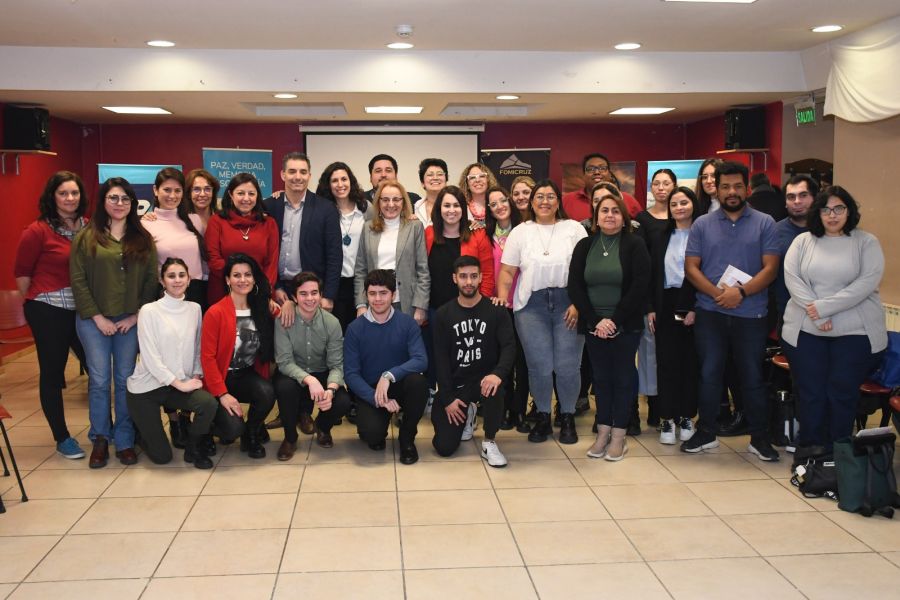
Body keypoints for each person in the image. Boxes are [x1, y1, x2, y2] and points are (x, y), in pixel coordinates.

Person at [682, 161, 781, 461]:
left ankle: (759, 437)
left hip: (751, 314)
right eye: (725, 186)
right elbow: (691, 268)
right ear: (717, 189)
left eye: (738, 186)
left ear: (747, 188)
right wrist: (718, 295)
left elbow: (771, 268)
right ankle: (707, 431)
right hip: (710, 313)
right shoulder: (702, 224)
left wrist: (739, 293)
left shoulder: (765, 223)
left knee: (751, 375)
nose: (732, 192)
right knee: (710, 372)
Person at [781, 186, 887, 452]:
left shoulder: (866, 242)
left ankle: (839, 455)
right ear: (817, 213)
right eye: (826, 209)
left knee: (841, 394)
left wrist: (825, 308)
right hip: (805, 331)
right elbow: (793, 280)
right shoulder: (802, 242)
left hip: (855, 333)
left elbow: (866, 284)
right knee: (811, 393)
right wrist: (817, 315)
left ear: (849, 211)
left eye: (839, 208)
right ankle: (810, 454)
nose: (832, 215)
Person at [70, 177, 158, 468]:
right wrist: (97, 317)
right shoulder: (86, 236)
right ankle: (100, 438)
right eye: (113, 198)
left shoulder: (142, 238)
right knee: (98, 381)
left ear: (132, 204)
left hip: (129, 322)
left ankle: (123, 439)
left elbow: (149, 282)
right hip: (93, 320)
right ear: (103, 201)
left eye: (125, 199)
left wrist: (136, 316)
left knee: (124, 380)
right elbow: (78, 279)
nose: (119, 204)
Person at [495, 179, 587, 444]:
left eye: (550, 196)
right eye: (539, 197)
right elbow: (508, 272)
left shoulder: (574, 230)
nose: (544, 201)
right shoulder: (520, 232)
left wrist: (579, 303)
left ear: (559, 201)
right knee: (540, 366)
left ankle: (567, 415)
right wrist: (503, 301)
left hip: (569, 304)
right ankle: (544, 416)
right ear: (531, 203)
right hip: (531, 307)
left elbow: (584, 272)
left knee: (568, 365)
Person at [568, 189, 650, 461]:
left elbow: (639, 286)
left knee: (623, 378)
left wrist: (613, 321)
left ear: (624, 216)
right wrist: (595, 320)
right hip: (593, 325)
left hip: (625, 324)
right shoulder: (585, 245)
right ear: (596, 216)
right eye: (604, 210)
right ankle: (602, 431)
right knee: (601, 380)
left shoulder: (634, 244)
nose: (610, 215)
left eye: (616, 211)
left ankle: (619, 435)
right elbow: (575, 286)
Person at [14, 171, 89, 459]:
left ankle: (102, 430)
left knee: (97, 369)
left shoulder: (87, 227)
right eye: (63, 193)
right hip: (48, 309)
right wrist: (38, 304)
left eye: (74, 193)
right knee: (53, 374)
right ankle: (62, 437)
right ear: (52, 197)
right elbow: (22, 274)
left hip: (82, 309)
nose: (70, 198)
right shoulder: (37, 230)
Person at [125, 258, 217, 469]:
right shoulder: (149, 311)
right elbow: (150, 359)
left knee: (207, 403)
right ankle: (141, 431)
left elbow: (197, 347)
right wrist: (180, 384)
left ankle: (193, 448)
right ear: (162, 281)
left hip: (175, 385)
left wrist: (196, 374)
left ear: (189, 279)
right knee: (162, 457)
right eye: (171, 276)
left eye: (181, 275)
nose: (177, 280)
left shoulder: (194, 309)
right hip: (146, 388)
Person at [431, 256, 516, 467]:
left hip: (484, 381)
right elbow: (439, 358)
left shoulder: (496, 310)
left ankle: (489, 441)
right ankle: (468, 411)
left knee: (495, 387)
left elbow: (509, 347)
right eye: (463, 277)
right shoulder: (443, 314)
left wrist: (497, 374)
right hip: (457, 385)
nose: (468, 282)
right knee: (444, 447)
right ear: (454, 279)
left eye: (473, 276)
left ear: (480, 278)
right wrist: (448, 398)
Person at [344, 269, 428, 465]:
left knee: (419, 382)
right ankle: (379, 423)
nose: (378, 299)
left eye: (383, 293)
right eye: (372, 294)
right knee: (372, 436)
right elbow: (351, 374)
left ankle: (407, 438)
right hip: (371, 390)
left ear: (394, 295)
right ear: (366, 295)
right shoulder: (355, 328)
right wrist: (379, 399)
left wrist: (389, 375)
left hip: (399, 383)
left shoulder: (407, 323)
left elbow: (421, 360)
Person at [201, 253, 276, 459]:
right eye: (236, 275)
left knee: (267, 392)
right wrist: (222, 394)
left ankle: (251, 434)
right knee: (232, 429)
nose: (243, 280)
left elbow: (284, 317)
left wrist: (285, 304)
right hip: (219, 378)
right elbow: (207, 358)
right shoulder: (215, 312)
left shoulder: (260, 308)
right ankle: (205, 430)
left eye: (247, 275)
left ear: (254, 278)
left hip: (244, 375)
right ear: (227, 280)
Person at [273, 272, 352, 459]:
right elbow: (284, 362)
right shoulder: (283, 320)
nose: (310, 298)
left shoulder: (332, 323)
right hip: (294, 373)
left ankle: (323, 428)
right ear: (294, 297)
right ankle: (290, 438)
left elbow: (336, 365)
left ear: (321, 295)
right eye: (303, 294)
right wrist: (309, 380)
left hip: (322, 371)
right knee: (284, 387)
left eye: (314, 293)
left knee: (343, 401)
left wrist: (331, 390)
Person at [264, 152, 342, 324]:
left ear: (309, 175)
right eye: (292, 172)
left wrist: (328, 295)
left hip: (312, 292)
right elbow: (264, 252)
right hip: (279, 290)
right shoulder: (270, 206)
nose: (297, 177)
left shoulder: (326, 208)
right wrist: (275, 287)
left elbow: (334, 255)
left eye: (303, 172)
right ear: (283, 175)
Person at [648, 187, 700, 444]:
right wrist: (650, 308)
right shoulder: (660, 236)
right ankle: (666, 418)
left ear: (693, 204)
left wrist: (693, 307)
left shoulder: (703, 234)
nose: (679, 207)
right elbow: (652, 274)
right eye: (674, 204)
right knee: (666, 361)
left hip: (694, 301)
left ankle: (687, 416)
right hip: (665, 303)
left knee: (690, 363)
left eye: (684, 202)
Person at [633, 168, 677, 431]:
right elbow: (642, 264)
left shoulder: (685, 217)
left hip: (677, 295)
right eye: (656, 184)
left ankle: (673, 404)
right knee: (649, 352)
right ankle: (653, 404)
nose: (661, 188)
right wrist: (647, 303)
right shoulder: (642, 220)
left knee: (673, 354)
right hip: (651, 295)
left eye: (666, 183)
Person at [354, 180, 430, 325]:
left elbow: (423, 271)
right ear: (378, 202)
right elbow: (360, 270)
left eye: (396, 199)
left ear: (403, 202)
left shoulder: (415, 227)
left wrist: (421, 306)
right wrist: (361, 304)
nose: (391, 204)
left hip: (407, 303)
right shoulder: (368, 228)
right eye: (385, 200)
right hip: (375, 303)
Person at [485, 185, 529, 432]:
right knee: (502, 361)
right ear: (489, 210)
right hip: (497, 306)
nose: (500, 206)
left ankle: (519, 410)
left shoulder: (524, 231)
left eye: (503, 200)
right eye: (494, 204)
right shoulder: (485, 234)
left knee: (522, 362)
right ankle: (502, 409)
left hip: (523, 304)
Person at [314, 161, 372, 332]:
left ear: (351, 181)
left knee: (360, 332)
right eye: (334, 181)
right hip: (333, 282)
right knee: (335, 333)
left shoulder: (366, 208)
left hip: (360, 280)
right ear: (328, 185)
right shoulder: (322, 210)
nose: (340, 185)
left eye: (344, 179)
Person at [205, 173, 279, 307]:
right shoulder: (217, 221)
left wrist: (260, 287)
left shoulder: (269, 223)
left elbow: (271, 263)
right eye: (240, 193)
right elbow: (213, 258)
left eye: (251, 193)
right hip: (223, 292)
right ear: (231, 194)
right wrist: (239, 282)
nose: (246, 198)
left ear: (258, 196)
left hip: (259, 293)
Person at [142, 167, 207, 307]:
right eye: (167, 190)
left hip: (196, 292)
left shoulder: (195, 220)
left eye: (177, 190)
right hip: (164, 293)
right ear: (155, 190)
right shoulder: (146, 224)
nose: (172, 195)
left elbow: (204, 260)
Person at [773, 174, 819, 320]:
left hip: (824, 310)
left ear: (815, 198)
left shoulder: (828, 231)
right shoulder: (773, 231)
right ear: (785, 202)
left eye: (803, 195)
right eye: (791, 197)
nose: (797, 201)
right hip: (787, 312)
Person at [562, 153, 641, 222]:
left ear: (610, 174)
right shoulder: (566, 200)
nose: (597, 172)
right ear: (583, 175)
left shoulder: (628, 200)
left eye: (602, 168)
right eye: (590, 169)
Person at [458, 163, 498, 229]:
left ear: (488, 180)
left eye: (482, 176)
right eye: (472, 177)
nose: (477, 180)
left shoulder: (497, 205)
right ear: (466, 184)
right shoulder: (460, 207)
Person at [414, 158, 448, 226]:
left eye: (440, 174)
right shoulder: (416, 206)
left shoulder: (456, 205)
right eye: (430, 175)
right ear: (422, 183)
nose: (435, 178)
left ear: (446, 181)